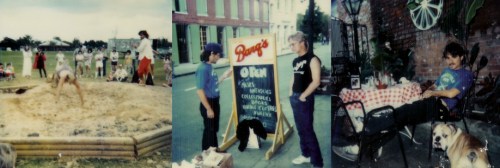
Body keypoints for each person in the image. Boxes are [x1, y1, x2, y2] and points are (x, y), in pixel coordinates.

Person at [332, 41, 474, 162]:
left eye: (454, 57)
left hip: (441, 107)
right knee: (399, 114)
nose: (450, 61)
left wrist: (432, 93)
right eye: (448, 58)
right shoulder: (446, 71)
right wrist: (427, 91)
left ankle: (363, 130)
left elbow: (451, 93)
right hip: (430, 101)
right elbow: (435, 85)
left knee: (402, 113)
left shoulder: (467, 75)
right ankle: (365, 145)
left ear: (462, 57)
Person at [287, 31, 323, 167]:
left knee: (307, 130)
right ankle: (306, 154)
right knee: (301, 129)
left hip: (305, 99)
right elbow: (294, 76)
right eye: (290, 45)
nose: (291, 47)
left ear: (302, 42)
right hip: (295, 98)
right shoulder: (295, 60)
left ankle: (317, 162)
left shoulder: (312, 59)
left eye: (293, 44)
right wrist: (291, 92)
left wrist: (303, 95)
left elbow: (316, 81)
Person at [196, 43, 232, 151]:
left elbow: (213, 83)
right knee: (209, 130)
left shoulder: (209, 66)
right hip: (209, 102)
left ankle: (214, 150)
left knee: (213, 129)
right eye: (218, 55)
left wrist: (225, 76)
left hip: (215, 102)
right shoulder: (202, 69)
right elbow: (200, 90)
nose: (219, 57)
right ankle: (207, 153)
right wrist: (208, 108)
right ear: (212, 54)